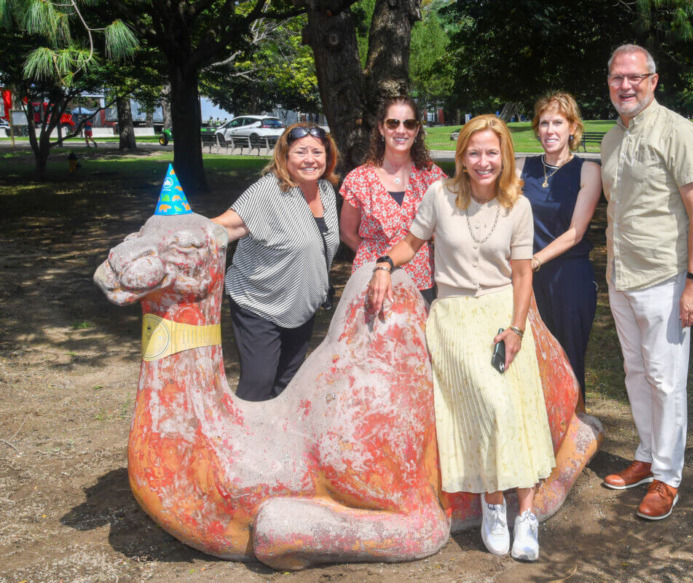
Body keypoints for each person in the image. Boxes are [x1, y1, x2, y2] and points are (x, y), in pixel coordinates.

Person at [367, 115, 555, 561]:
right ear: (462, 158)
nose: (483, 161)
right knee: (490, 403)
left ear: (505, 155)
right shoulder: (440, 195)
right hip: (452, 314)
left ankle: (525, 515)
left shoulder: (519, 206)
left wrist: (516, 328)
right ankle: (493, 503)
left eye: (492, 152)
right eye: (474, 153)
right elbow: (410, 244)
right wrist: (382, 264)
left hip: (501, 312)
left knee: (518, 405)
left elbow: (523, 274)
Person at [599, 44, 693, 520]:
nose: (625, 85)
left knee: (667, 380)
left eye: (634, 77)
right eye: (616, 78)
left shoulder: (679, 132)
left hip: (664, 278)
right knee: (636, 372)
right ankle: (645, 456)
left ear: (653, 80)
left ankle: (667, 476)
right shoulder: (610, 140)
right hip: (621, 276)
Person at [212, 123, 340, 402]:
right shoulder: (268, 191)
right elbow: (224, 228)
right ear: (285, 157)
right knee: (258, 384)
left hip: (300, 307)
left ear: (328, 157)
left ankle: (275, 442)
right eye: (301, 152)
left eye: (317, 152)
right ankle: (241, 442)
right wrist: (175, 231)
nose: (310, 159)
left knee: (288, 384)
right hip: (259, 304)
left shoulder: (327, 192)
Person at [516, 91, 601, 406]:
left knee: (568, 356)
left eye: (558, 123)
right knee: (529, 357)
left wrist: (534, 261)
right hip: (525, 279)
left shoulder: (588, 171)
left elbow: (575, 232)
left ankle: (576, 437)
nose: (550, 130)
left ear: (573, 129)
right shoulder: (520, 167)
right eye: (544, 123)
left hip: (569, 278)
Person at [340, 96, 446, 303]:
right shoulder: (360, 179)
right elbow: (347, 233)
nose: (401, 130)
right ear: (381, 128)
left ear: (416, 130)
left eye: (409, 123)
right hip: (371, 279)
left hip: (420, 279)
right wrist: (376, 259)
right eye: (393, 123)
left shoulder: (432, 176)